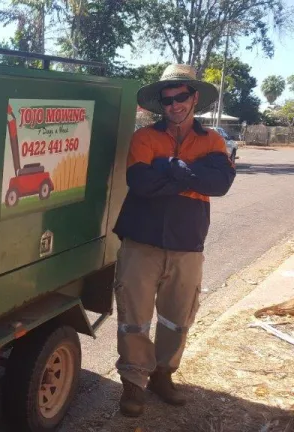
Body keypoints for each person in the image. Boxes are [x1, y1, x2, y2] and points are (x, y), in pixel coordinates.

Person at [112, 64, 236, 417]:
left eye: (181, 96)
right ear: (160, 105)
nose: (175, 105)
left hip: (187, 244)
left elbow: (220, 184)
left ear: (194, 97)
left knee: (177, 318)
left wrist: (172, 168)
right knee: (134, 317)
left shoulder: (213, 139)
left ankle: (163, 376)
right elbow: (141, 184)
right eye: (167, 100)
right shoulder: (144, 138)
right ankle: (134, 383)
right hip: (141, 242)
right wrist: (193, 176)